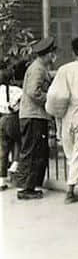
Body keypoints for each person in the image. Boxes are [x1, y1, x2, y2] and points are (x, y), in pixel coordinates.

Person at [46, 36, 78, 204]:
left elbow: (55, 94)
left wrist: (56, 113)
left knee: (70, 152)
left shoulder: (63, 69)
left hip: (66, 116)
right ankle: (74, 189)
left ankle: (75, 187)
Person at [16, 37, 56, 200]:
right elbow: (34, 92)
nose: (54, 56)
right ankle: (26, 188)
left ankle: (29, 185)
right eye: (52, 53)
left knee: (35, 150)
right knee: (32, 151)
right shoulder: (38, 69)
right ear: (47, 54)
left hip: (32, 115)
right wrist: (50, 97)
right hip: (33, 115)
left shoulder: (39, 67)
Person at [0, 62, 23, 191]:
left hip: (2, 119)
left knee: (3, 150)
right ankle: (15, 164)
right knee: (19, 141)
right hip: (13, 118)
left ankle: (1, 181)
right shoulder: (16, 90)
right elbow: (22, 99)